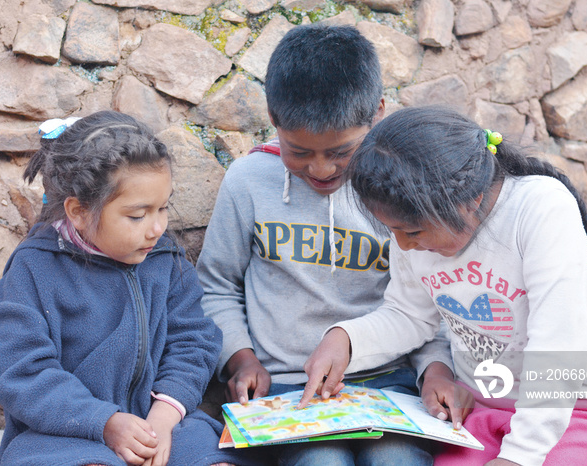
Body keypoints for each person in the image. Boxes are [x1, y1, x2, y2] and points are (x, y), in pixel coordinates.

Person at [196, 25, 471, 466]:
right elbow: (216, 285)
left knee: (397, 460)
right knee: (322, 461)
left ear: (377, 114)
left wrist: (434, 369)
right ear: (274, 119)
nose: (320, 168)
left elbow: (428, 298)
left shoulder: (397, 190)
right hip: (286, 389)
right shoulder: (248, 182)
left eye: (341, 151)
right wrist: (240, 360)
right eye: (299, 151)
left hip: (389, 385)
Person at [302, 106, 587, 465]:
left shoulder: (540, 210)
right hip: (477, 406)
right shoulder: (413, 230)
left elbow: (560, 342)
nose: (402, 245)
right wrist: (344, 338)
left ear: (472, 200)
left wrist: (519, 456)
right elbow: (409, 315)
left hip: (568, 412)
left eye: (413, 231)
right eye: (393, 231)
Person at [0, 111, 258, 466]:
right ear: (78, 211)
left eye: (163, 208)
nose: (156, 228)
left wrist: (166, 414)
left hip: (160, 425)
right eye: (138, 216)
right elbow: (21, 369)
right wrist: (103, 422)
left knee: (218, 459)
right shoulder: (34, 269)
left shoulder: (165, 261)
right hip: (66, 435)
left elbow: (193, 341)